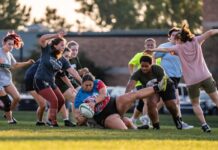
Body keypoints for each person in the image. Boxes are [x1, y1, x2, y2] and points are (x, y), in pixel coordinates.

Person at [149, 23, 218, 132]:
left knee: (196, 104)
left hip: (192, 81)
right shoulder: (196, 40)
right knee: (216, 100)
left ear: (178, 39)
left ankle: (204, 125)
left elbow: (166, 50)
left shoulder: (178, 47)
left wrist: (152, 50)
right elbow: (210, 32)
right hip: (205, 76)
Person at [74, 73, 168, 129]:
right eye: (86, 85)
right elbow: (78, 117)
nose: (89, 87)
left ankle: (158, 87)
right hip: (103, 116)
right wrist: (83, 118)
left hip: (113, 103)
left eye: (90, 85)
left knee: (131, 95)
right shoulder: (79, 96)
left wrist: (93, 102)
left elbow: (103, 95)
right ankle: (131, 125)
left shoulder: (97, 82)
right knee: (123, 128)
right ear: (81, 84)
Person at [33, 31, 82, 127]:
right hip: (40, 80)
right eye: (62, 45)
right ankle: (53, 121)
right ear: (55, 46)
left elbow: (73, 71)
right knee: (54, 100)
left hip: (51, 82)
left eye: (64, 45)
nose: (64, 46)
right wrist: (55, 35)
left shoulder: (63, 59)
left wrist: (82, 81)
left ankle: (50, 119)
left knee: (61, 100)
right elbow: (42, 38)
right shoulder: (47, 50)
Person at [126, 55, 184, 130]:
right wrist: (126, 96)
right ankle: (156, 125)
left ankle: (177, 119)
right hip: (153, 88)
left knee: (170, 105)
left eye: (146, 66)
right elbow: (130, 86)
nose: (144, 68)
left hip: (166, 86)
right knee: (150, 103)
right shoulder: (138, 73)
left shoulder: (157, 68)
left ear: (151, 65)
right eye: (142, 66)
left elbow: (162, 85)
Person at [154, 27, 193, 129]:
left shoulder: (181, 46)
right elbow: (154, 56)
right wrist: (155, 71)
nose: (175, 37)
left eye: (177, 35)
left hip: (177, 77)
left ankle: (147, 117)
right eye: (173, 35)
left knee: (164, 101)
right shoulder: (164, 46)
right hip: (167, 77)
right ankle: (180, 123)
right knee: (176, 101)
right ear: (169, 37)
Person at [0, 31, 34, 124]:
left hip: (6, 80)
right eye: (9, 44)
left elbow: (15, 65)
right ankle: (10, 120)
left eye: (12, 44)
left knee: (17, 98)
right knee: (7, 101)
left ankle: (7, 112)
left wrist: (27, 62)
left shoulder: (9, 54)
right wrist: (6, 66)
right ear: (4, 43)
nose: (11, 46)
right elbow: (5, 64)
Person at [128, 38, 156, 127]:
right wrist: (133, 75)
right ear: (145, 46)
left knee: (142, 103)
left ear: (155, 46)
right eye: (148, 45)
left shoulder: (157, 56)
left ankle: (133, 119)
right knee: (146, 100)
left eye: (152, 45)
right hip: (141, 82)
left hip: (152, 83)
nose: (150, 47)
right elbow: (130, 64)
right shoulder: (139, 55)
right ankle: (145, 121)